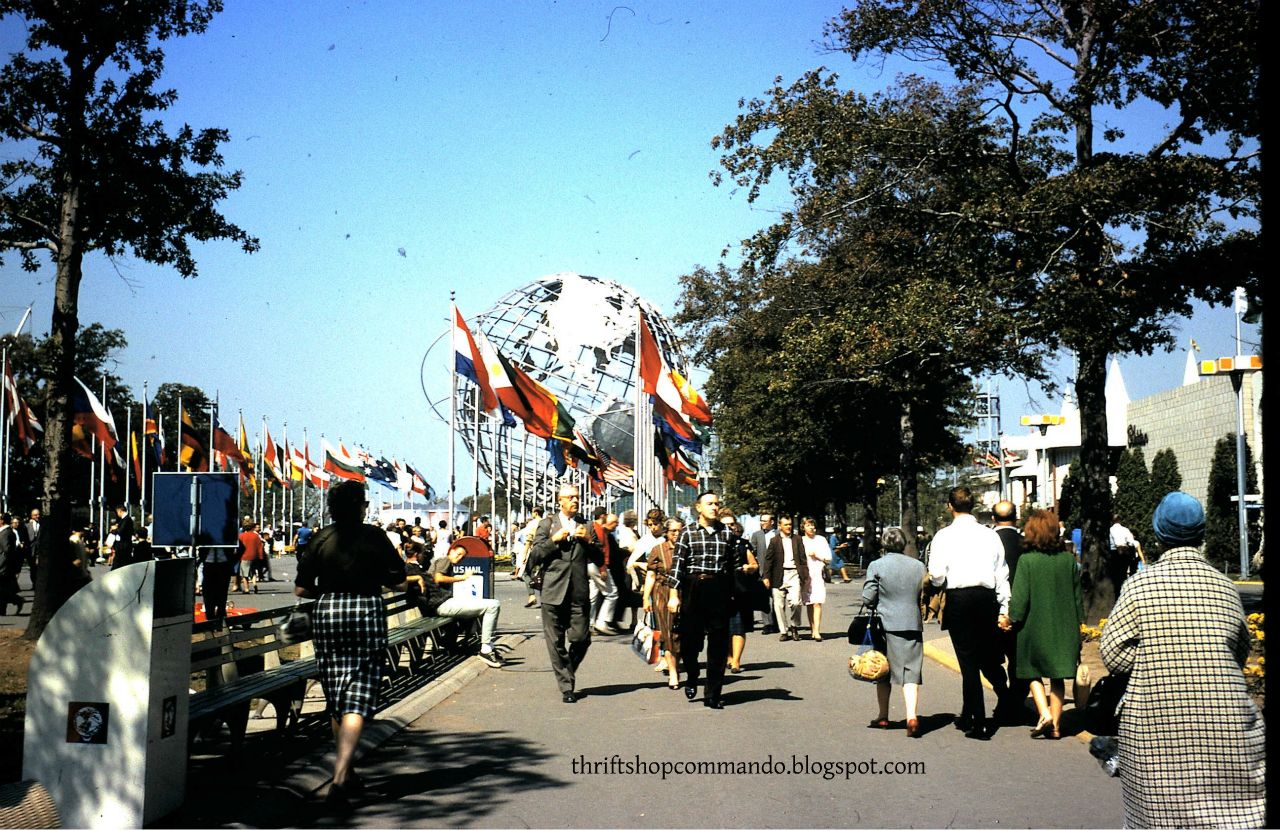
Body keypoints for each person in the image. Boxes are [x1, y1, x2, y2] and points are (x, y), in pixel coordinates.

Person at [1101, 492, 1265, 827]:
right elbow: (1237, 650)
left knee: (1160, 816)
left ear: (1159, 533)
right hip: (1229, 727)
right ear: (1202, 534)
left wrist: (1156, 655)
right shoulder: (1226, 587)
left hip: (1156, 728)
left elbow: (1113, 655)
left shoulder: (1138, 586)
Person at [294, 479, 407, 808]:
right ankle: (341, 777)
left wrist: (329, 593)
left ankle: (349, 770)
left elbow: (301, 590)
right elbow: (398, 581)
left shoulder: (321, 538)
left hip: (328, 615)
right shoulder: (375, 536)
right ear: (360, 506)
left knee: (337, 695)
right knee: (358, 697)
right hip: (366, 612)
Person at [927, 486, 1010, 740]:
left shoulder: (943, 536)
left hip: (959, 598)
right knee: (984, 653)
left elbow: (938, 574)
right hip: (986, 598)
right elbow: (1001, 574)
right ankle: (972, 711)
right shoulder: (990, 535)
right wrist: (1004, 606)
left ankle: (979, 721)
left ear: (950, 507)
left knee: (968, 662)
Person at [1006, 509, 1083, 740]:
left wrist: (1011, 618)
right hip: (1064, 627)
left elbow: (1020, 598)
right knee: (1057, 677)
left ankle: (1044, 714)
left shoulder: (1027, 561)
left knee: (1031, 672)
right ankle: (1057, 726)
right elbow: (1078, 598)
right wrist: (1079, 626)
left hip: (1034, 627)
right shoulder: (1068, 560)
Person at [528, 484, 600, 703]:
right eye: (570, 497)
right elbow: (534, 557)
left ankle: (566, 670)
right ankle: (566, 686)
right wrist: (554, 541)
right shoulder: (547, 524)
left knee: (581, 638)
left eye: (577, 497)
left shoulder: (587, 525)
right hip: (553, 590)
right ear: (560, 501)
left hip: (578, 591)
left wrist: (588, 541)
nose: (575, 501)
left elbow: (600, 559)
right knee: (555, 641)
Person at [668, 491, 736, 709]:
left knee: (718, 642)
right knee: (690, 641)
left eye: (716, 504)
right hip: (693, 588)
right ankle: (692, 674)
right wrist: (673, 595)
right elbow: (677, 565)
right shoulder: (687, 533)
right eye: (709, 504)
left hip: (718, 588)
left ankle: (712, 693)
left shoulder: (726, 533)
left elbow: (732, 564)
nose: (714, 507)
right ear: (698, 508)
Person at [862, 527, 926, 737]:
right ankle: (911, 716)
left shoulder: (876, 565)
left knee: (882, 671)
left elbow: (868, 598)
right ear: (902, 543)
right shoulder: (918, 566)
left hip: (884, 625)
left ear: (884, 544)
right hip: (911, 622)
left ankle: (883, 715)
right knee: (911, 672)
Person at [421, 542, 506, 667]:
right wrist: (462, 578)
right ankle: (486, 649)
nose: (460, 558)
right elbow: (438, 578)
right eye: (458, 554)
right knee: (493, 605)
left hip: (440, 603)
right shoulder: (445, 560)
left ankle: (486, 646)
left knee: (480, 610)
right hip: (441, 604)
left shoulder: (443, 561)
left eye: (463, 557)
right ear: (451, 552)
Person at [991, 500, 1031, 725]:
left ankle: (1003, 697)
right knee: (1019, 660)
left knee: (991, 658)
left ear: (993, 518)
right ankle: (1015, 701)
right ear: (1016, 518)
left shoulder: (986, 542)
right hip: (1022, 610)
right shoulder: (1026, 543)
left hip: (993, 609)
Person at [642, 517, 683, 690]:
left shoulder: (687, 549)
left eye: (680, 530)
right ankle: (673, 672)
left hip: (685, 593)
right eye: (673, 531)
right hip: (663, 593)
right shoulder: (658, 550)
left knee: (684, 633)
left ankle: (677, 660)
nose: (677, 534)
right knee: (668, 632)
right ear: (666, 532)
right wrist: (645, 598)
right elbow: (651, 575)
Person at [762, 515, 809, 641]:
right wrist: (766, 576)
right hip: (778, 575)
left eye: (790, 524)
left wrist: (805, 575)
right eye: (786, 525)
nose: (788, 527)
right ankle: (784, 631)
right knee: (778, 605)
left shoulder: (797, 539)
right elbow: (768, 560)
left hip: (794, 573)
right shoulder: (774, 540)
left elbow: (803, 559)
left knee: (795, 602)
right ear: (780, 526)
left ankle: (794, 626)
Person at [588, 509, 621, 635]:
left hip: (590, 564)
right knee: (612, 593)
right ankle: (602, 622)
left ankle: (589, 623)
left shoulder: (592, 527)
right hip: (598, 565)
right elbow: (600, 550)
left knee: (593, 595)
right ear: (602, 516)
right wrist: (603, 568)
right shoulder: (599, 530)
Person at [800, 517, 832, 640]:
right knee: (809, 602)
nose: (811, 528)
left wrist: (817, 556)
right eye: (808, 525)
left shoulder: (821, 540)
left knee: (817, 602)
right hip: (806, 574)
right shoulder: (801, 540)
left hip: (818, 573)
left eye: (813, 525)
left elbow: (828, 558)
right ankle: (812, 629)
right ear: (803, 527)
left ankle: (817, 630)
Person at [748, 513, 777, 632]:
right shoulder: (756, 535)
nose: (762, 523)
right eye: (761, 520)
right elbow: (752, 551)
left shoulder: (779, 534)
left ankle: (777, 622)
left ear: (772, 522)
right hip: (761, 571)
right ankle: (767, 624)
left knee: (777, 599)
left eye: (765, 520)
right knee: (764, 598)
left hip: (776, 571)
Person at [1107, 515, 1144, 594]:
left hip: (1114, 552)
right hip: (1125, 552)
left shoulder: (1110, 529)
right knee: (1123, 574)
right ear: (1120, 520)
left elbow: (1113, 541)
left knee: (1115, 575)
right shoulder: (1125, 530)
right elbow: (1131, 542)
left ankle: (1116, 593)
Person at [517, 508, 543, 608]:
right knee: (543, 573)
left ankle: (532, 595)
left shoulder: (532, 524)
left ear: (535, 513)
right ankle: (543, 598)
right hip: (546, 549)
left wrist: (524, 554)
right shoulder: (546, 522)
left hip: (535, 550)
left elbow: (529, 539)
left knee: (526, 573)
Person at [0, 512, 25, 615]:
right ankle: (3, 609)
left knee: (1, 588)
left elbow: (7, 550)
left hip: (3, 565)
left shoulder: (6, 533)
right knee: (3, 587)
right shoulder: (6, 531)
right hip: (5, 564)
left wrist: (2, 565)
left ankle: (17, 600)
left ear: (2, 520)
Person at [236, 520, 265, 594]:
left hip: (245, 556)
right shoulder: (256, 536)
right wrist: (261, 556)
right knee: (253, 572)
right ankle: (255, 584)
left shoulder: (241, 536)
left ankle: (247, 589)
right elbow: (260, 547)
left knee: (245, 574)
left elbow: (239, 548)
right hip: (255, 556)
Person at [109, 506, 135, 571]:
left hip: (123, 546)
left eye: (117, 512)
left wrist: (114, 529)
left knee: (118, 563)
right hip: (122, 545)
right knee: (121, 564)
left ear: (120, 511)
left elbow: (121, 531)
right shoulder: (125, 520)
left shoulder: (127, 519)